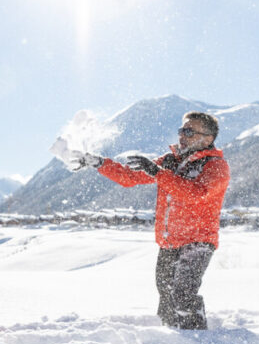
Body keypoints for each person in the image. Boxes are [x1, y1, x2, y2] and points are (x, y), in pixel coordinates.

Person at [71, 111, 230, 330]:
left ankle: (199, 341)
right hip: (169, 241)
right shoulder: (170, 161)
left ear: (208, 138)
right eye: (181, 130)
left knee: (183, 296)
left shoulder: (215, 166)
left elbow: (197, 194)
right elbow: (129, 177)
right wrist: (97, 162)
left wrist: (159, 173)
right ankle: (171, 342)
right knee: (166, 299)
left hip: (198, 241)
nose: (182, 136)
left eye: (189, 131)